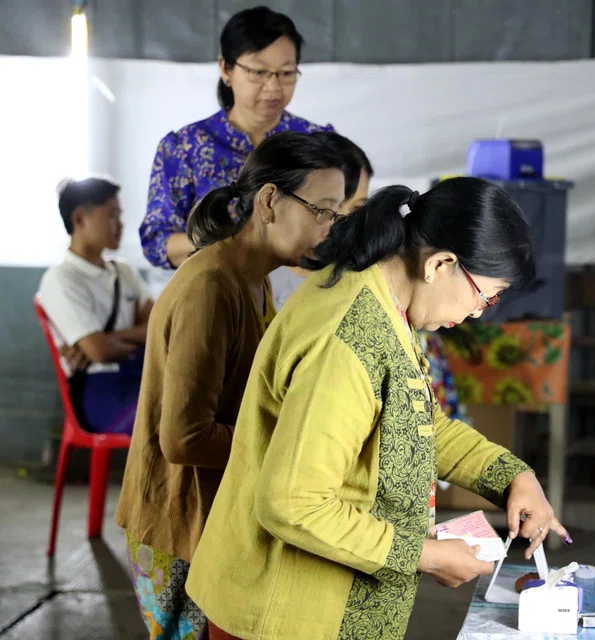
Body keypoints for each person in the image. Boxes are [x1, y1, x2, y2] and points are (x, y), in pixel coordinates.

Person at [185, 178, 571, 640]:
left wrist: (514, 476)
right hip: (284, 611)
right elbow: (293, 503)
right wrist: (426, 554)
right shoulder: (346, 338)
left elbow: (416, 424)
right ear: (441, 264)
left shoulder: (386, 304)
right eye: (484, 295)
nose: (478, 313)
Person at [116, 132, 346, 640]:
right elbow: (183, 439)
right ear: (269, 201)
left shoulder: (252, 277)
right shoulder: (211, 288)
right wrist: (286, 454)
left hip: (210, 511)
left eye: (337, 214)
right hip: (180, 519)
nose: (329, 228)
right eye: (321, 210)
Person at [140, 6, 333, 270]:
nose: (273, 86)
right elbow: (157, 241)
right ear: (226, 69)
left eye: (286, 73)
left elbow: (343, 221)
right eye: (259, 72)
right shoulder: (185, 147)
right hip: (219, 294)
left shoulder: (319, 142)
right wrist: (226, 240)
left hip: (301, 296)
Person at [37, 177, 153, 435]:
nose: (121, 225)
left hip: (140, 375)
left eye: (120, 215)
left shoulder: (124, 271)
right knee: (165, 421)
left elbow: (160, 324)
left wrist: (109, 339)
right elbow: (100, 352)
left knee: (193, 408)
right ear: (79, 218)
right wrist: (108, 343)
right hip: (98, 390)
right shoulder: (61, 279)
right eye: (112, 215)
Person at [270, 131, 373, 309]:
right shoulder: (252, 271)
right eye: (331, 204)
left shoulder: (359, 277)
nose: (343, 218)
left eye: (356, 208)